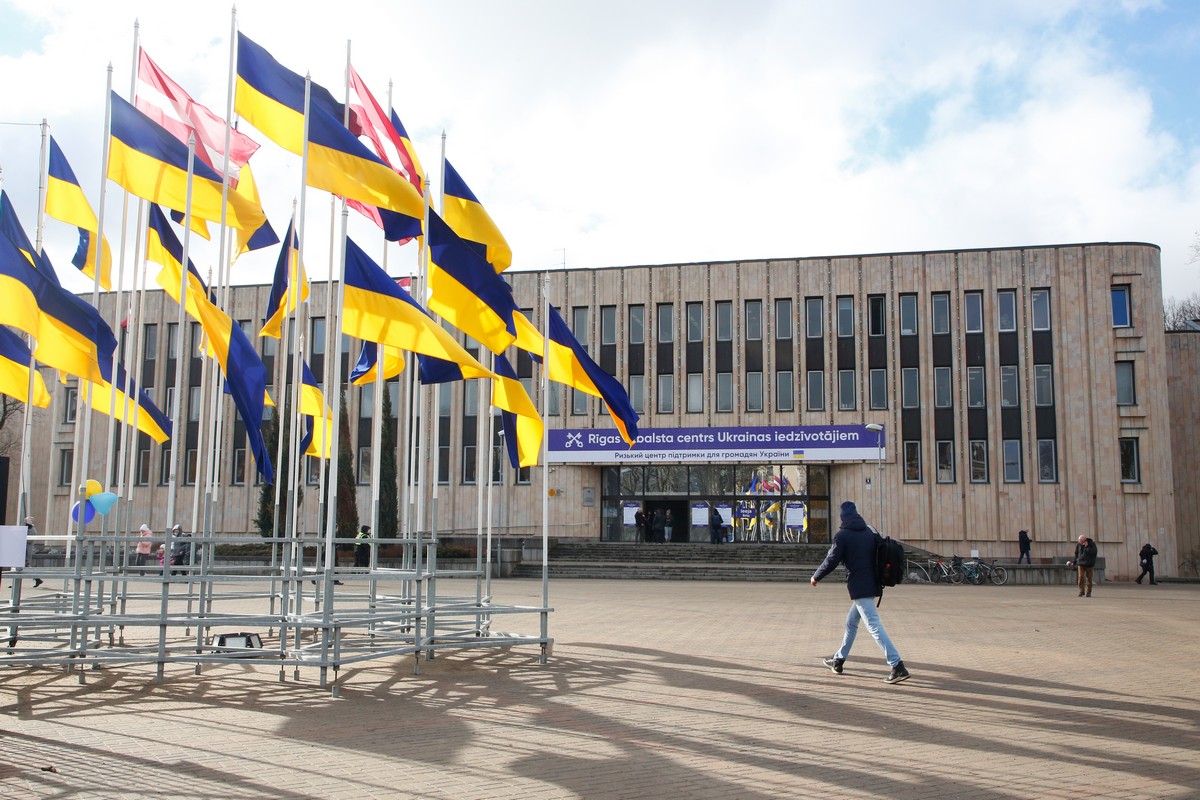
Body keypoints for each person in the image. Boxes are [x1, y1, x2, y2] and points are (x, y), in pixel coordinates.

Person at [810, 500, 910, 684]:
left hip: (860, 586)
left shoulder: (842, 535)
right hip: (873, 583)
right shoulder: (869, 532)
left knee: (873, 625)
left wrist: (816, 576)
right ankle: (838, 660)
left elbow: (831, 560)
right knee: (851, 623)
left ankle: (897, 665)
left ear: (842, 517)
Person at [25, 516, 43, 587]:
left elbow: (30, 540)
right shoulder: (26, 528)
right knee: (19, 566)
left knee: (26, 565)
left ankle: (37, 579)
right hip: (23, 550)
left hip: (27, 550)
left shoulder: (32, 529)